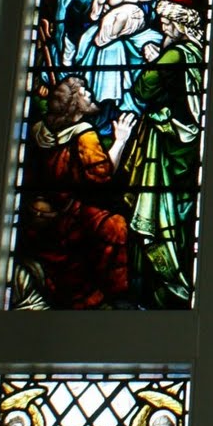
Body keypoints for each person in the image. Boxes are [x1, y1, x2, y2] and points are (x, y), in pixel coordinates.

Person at [21, 77, 135, 308]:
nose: (88, 92)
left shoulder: (37, 131)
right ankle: (116, 297)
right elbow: (102, 176)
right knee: (115, 227)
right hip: (69, 213)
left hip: (40, 212)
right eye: (83, 90)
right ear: (74, 103)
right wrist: (120, 140)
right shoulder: (83, 134)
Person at [120, 0, 204, 307]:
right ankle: (175, 277)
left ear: (175, 27)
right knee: (179, 210)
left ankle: (161, 285)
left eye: (166, 24)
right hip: (187, 143)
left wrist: (153, 59)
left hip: (166, 142)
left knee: (158, 210)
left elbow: (143, 89)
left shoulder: (174, 54)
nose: (162, 28)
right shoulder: (196, 54)